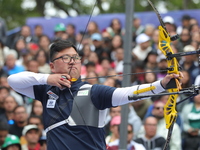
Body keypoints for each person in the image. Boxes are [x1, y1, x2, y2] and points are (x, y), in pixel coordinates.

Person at [8, 39, 181, 150]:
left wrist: (161, 85)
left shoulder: (94, 92)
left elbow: (129, 93)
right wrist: (48, 78)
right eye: (66, 58)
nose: (73, 62)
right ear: (52, 66)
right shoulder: (46, 90)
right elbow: (13, 80)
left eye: (75, 57)